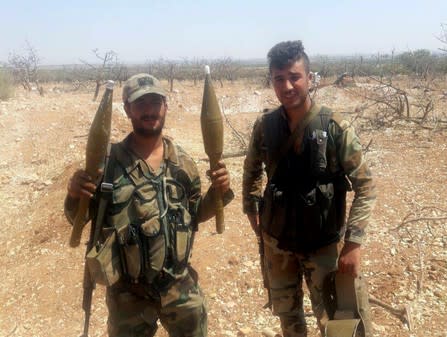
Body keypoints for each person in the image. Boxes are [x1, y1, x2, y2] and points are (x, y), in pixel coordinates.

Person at [65, 73, 233, 337]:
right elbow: (77, 217)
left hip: (179, 286)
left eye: (155, 102)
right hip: (128, 295)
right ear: (127, 108)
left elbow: (195, 214)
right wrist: (75, 194)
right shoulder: (106, 165)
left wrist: (219, 192)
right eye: (140, 103)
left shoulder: (183, 163)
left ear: (165, 106)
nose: (149, 110)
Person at [242, 40, 376, 337]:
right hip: (277, 244)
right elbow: (251, 171)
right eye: (279, 78)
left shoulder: (334, 127)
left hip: (323, 244)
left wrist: (353, 243)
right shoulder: (265, 126)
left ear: (310, 78)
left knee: (337, 321)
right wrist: (252, 210)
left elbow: (365, 186)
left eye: (294, 76)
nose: (287, 86)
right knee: (288, 318)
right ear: (272, 81)